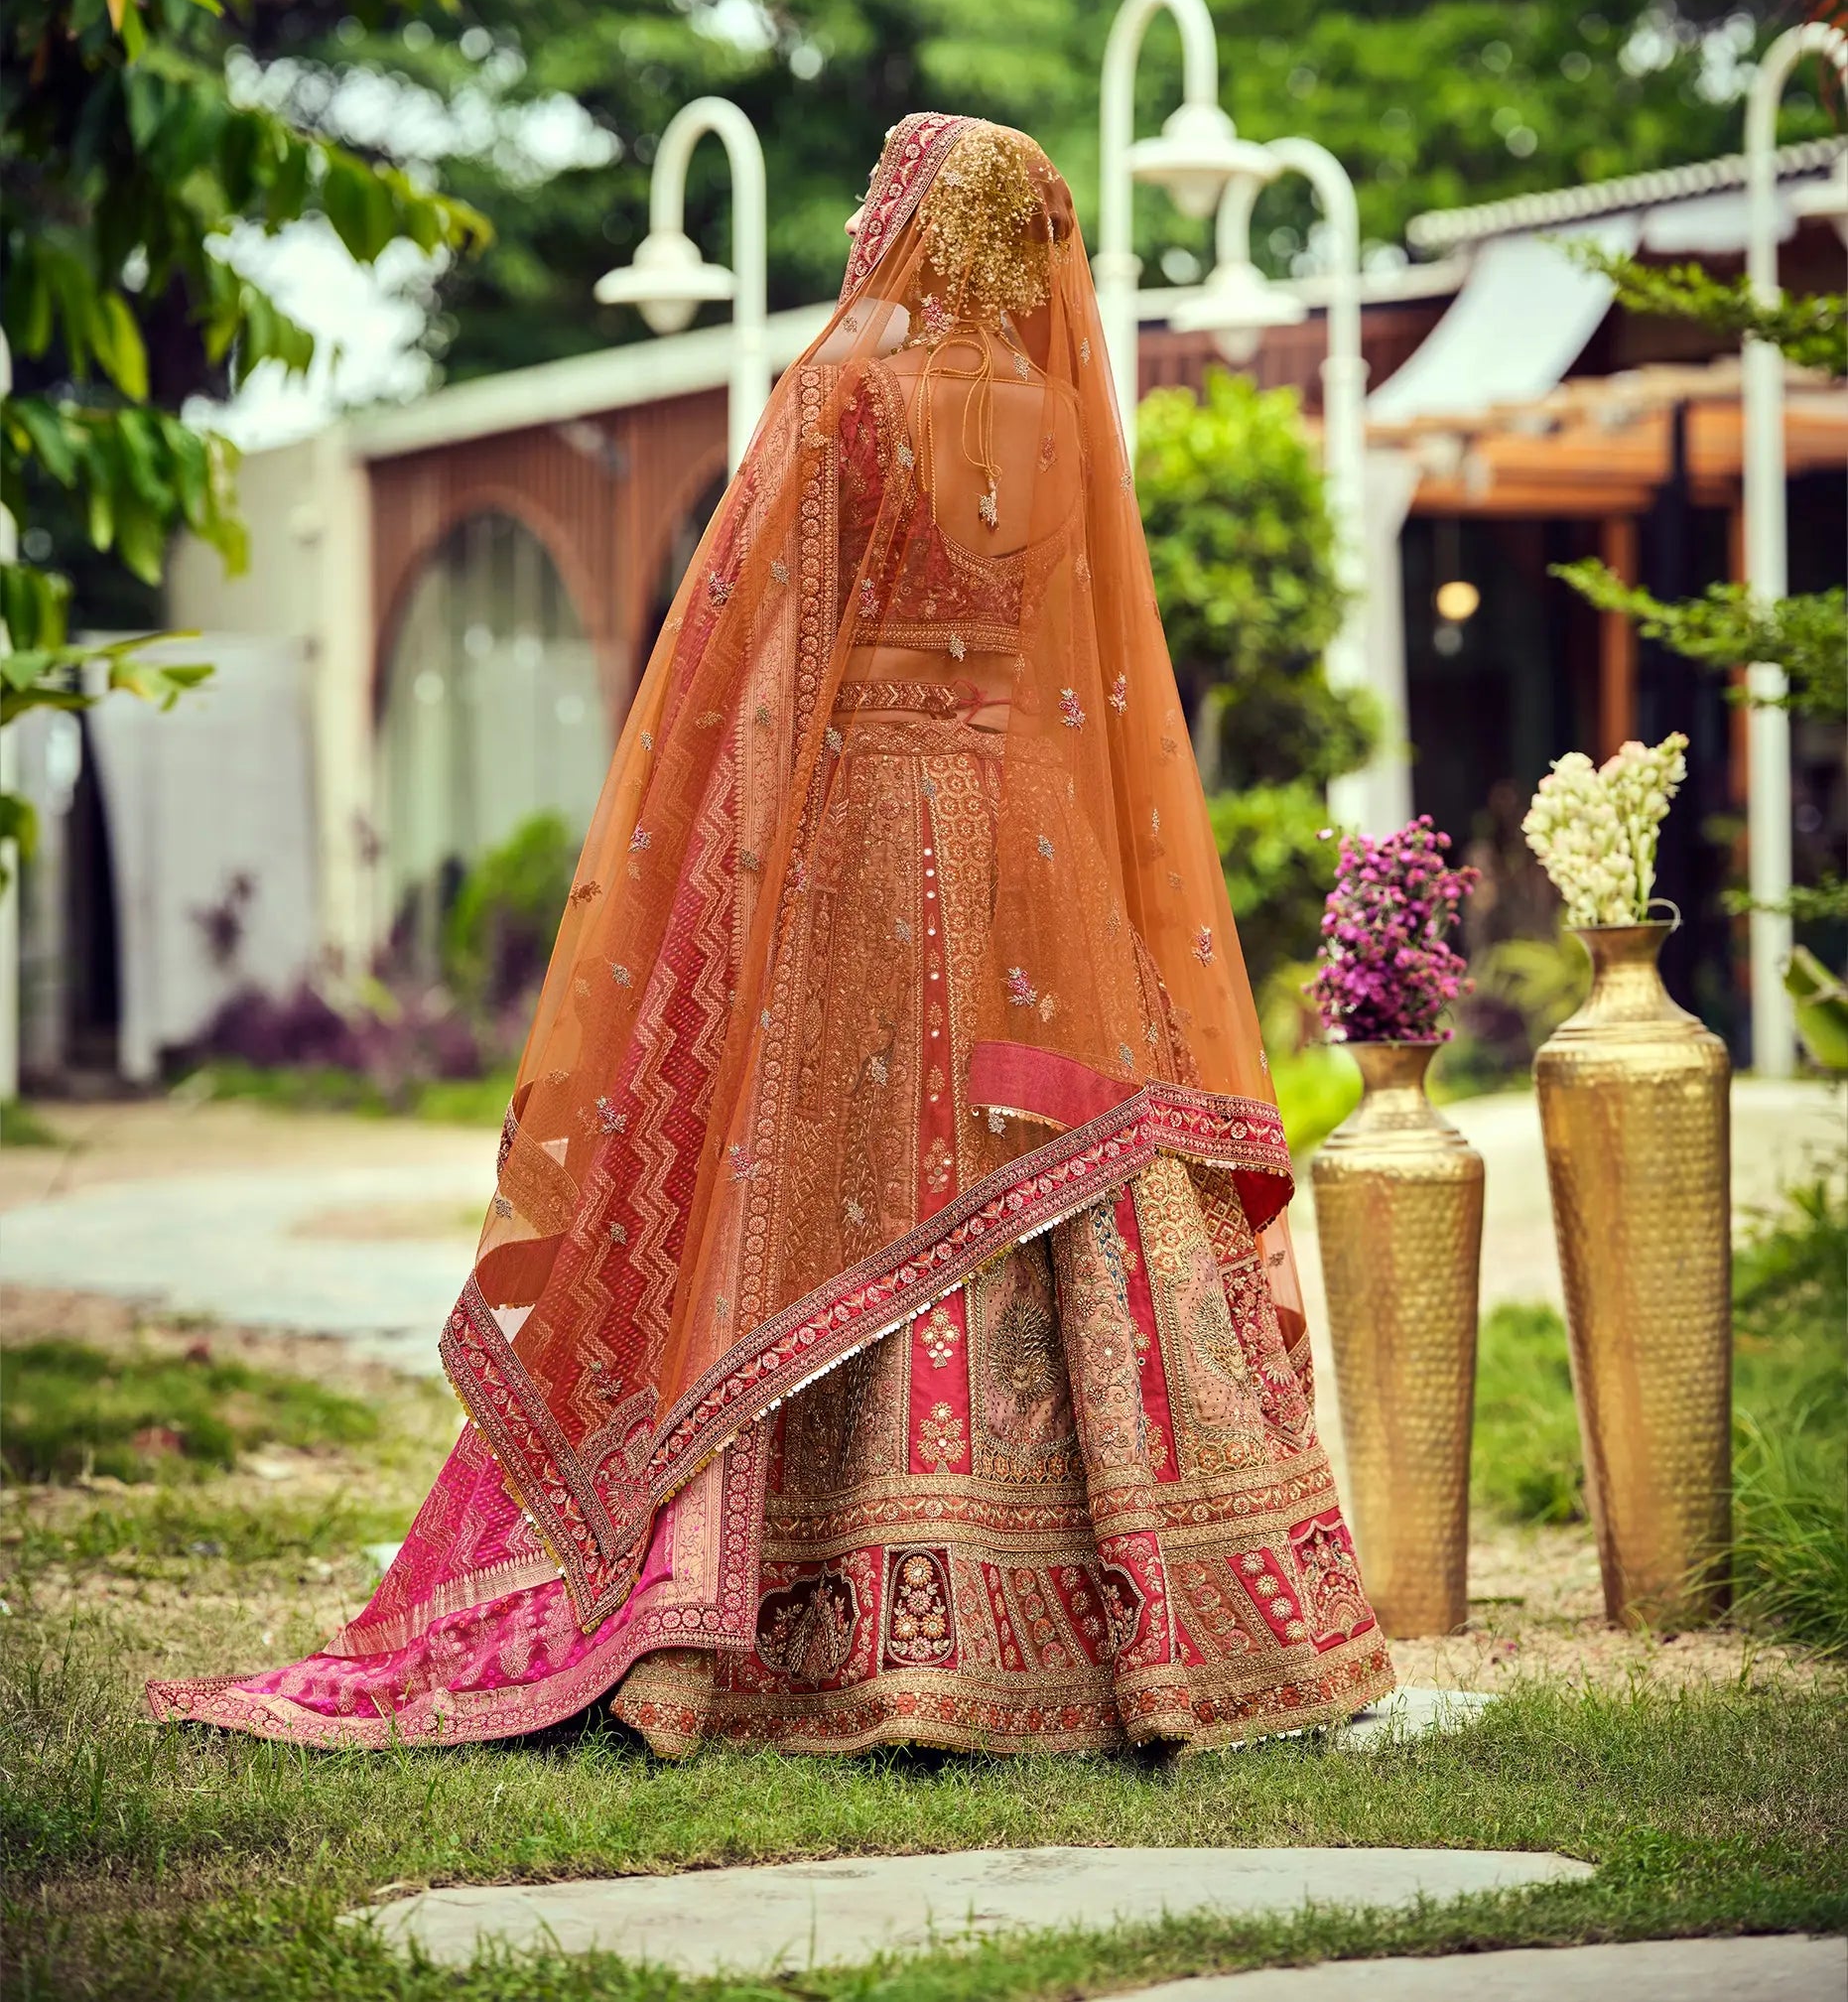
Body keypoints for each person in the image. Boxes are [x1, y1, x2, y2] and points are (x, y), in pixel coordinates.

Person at [150, 114, 1391, 1753]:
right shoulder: (1060, 413)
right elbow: (1067, 677)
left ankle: (789, 1624)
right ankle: (1132, 1633)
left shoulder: (848, 395)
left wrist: (714, 891)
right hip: (1030, 835)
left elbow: (756, 668)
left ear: (909, 229)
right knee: (1040, 1170)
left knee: (815, 1169)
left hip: (867, 827)